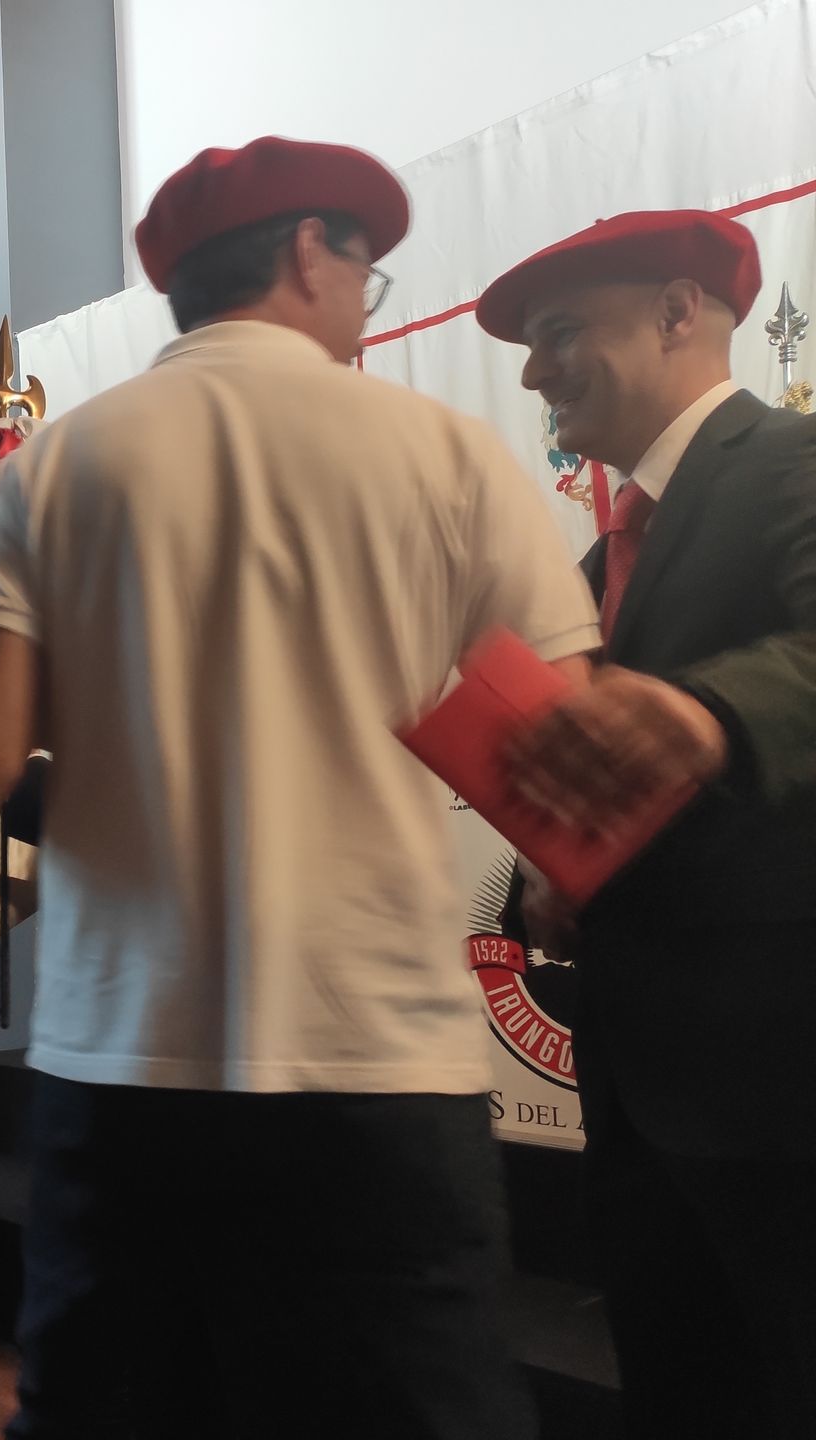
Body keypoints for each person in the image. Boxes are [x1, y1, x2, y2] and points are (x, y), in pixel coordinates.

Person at [0, 135, 602, 1439]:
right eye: (367, 273)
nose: (367, 306)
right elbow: (561, 746)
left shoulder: (52, 471)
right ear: (307, 252)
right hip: (377, 1061)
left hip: (122, 1061)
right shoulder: (445, 453)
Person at [481, 211, 816, 1439]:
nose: (533, 372)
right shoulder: (597, 567)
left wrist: (706, 714)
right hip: (637, 1093)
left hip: (783, 1083)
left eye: (560, 331)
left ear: (680, 310)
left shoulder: (792, 463)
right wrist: (558, 869)